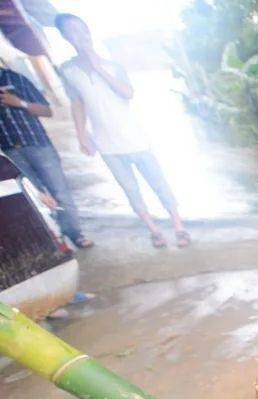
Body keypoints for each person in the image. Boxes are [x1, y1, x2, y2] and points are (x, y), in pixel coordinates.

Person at [54, 13, 191, 249]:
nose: (79, 35)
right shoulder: (67, 71)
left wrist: (99, 68)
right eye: (71, 31)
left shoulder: (113, 65)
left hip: (136, 138)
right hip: (107, 144)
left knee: (158, 182)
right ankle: (154, 230)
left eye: (81, 29)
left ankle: (178, 226)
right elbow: (77, 104)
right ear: (65, 37)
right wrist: (81, 136)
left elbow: (127, 93)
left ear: (88, 31)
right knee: (129, 188)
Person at [0, 62, 91, 248]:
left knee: (60, 192)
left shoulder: (16, 79)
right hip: (10, 152)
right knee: (33, 198)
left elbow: (47, 110)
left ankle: (75, 234)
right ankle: (54, 239)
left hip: (38, 145)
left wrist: (19, 103)